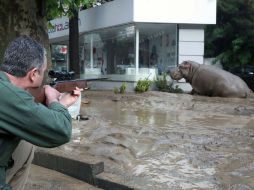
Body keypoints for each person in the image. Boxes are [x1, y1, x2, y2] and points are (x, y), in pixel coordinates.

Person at [0, 35, 83, 190]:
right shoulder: (8, 95)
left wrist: (61, 104)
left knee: (25, 146)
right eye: (43, 71)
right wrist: (52, 99)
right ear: (33, 74)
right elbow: (61, 131)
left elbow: (32, 117)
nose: (44, 75)